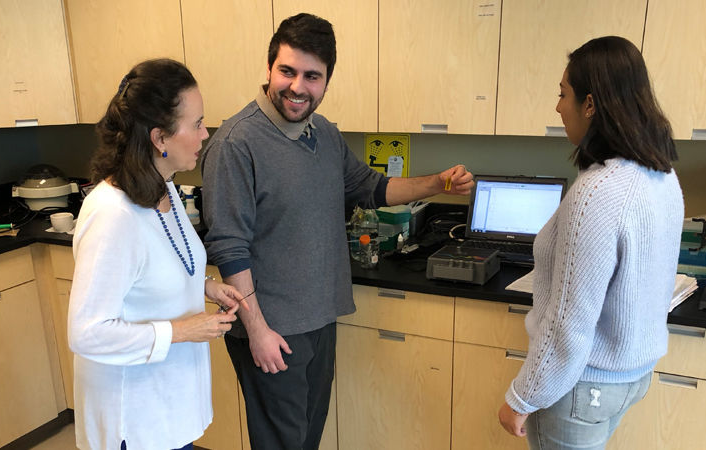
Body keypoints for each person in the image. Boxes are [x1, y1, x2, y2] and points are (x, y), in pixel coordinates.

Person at [201, 13, 474, 450]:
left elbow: (370, 187)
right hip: (271, 325)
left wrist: (437, 183)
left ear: (326, 81)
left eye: (312, 76)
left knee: (307, 437)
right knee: (281, 443)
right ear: (269, 67)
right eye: (286, 71)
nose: (297, 86)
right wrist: (257, 330)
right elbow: (229, 246)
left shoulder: (323, 135)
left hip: (318, 318)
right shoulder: (237, 143)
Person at [497, 36, 684, 448]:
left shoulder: (597, 191)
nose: (558, 106)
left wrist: (523, 396)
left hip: (582, 386)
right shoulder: (661, 174)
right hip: (631, 377)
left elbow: (570, 320)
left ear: (591, 104)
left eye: (563, 94)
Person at [68, 58, 248, 450]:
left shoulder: (161, 188)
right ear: (160, 138)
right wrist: (184, 330)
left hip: (168, 408)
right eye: (197, 124)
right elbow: (87, 333)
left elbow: (153, 268)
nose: (205, 134)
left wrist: (206, 287)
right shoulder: (113, 215)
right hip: (133, 420)